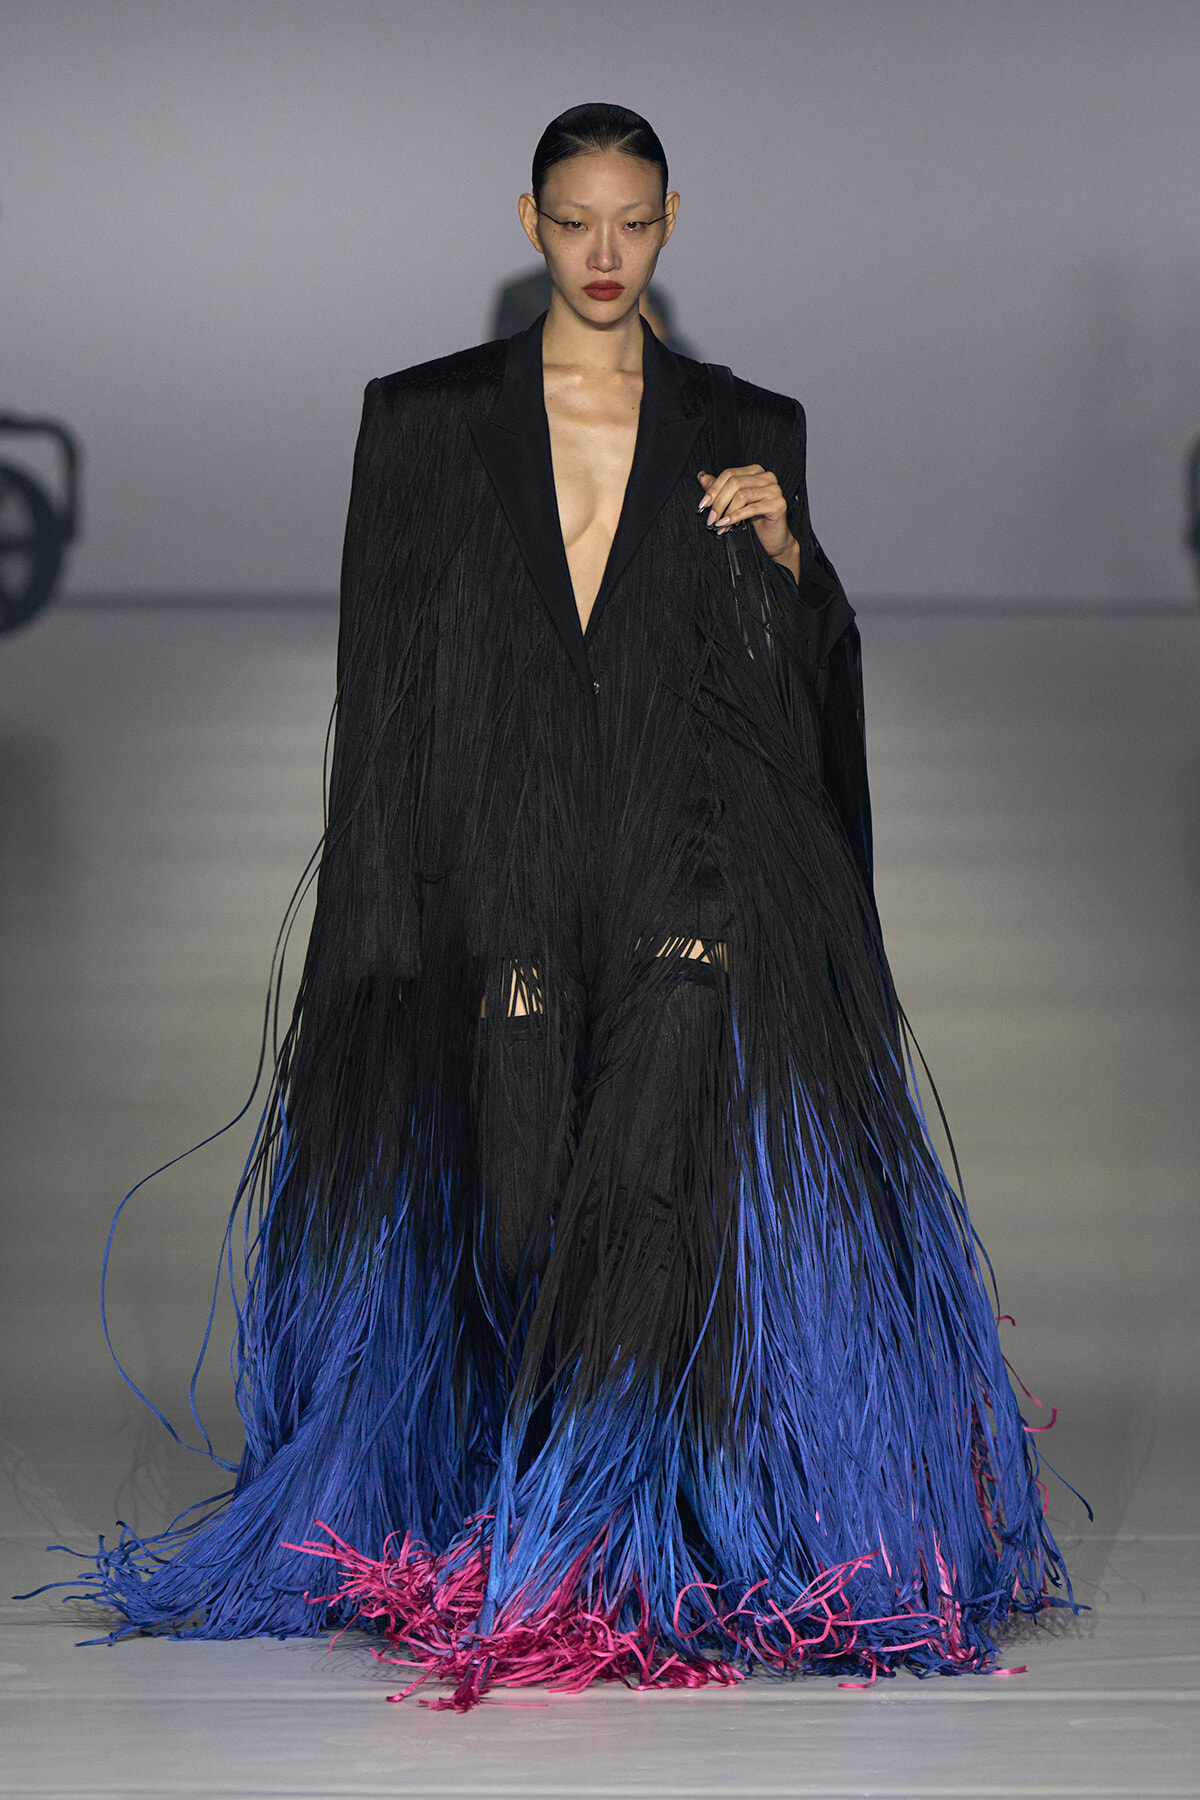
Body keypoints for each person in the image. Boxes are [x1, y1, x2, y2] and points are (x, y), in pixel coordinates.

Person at [81, 103, 1070, 1710]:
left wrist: (793, 557)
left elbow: (795, 673)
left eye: (632, 221)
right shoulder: (423, 422)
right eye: (575, 221)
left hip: (697, 848)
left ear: (672, 220)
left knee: (653, 1188)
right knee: (524, 1197)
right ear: (530, 220)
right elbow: (381, 689)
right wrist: (382, 935)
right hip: (509, 864)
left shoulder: (749, 423)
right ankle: (541, 1518)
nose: (604, 253)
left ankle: (619, 1551)